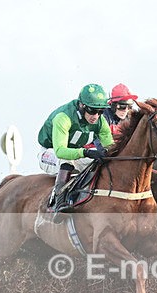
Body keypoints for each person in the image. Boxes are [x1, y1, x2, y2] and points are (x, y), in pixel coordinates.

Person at [37, 83, 115, 213]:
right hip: (50, 153)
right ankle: (59, 201)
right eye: (92, 110)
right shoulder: (64, 117)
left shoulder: (100, 121)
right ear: (81, 105)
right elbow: (60, 151)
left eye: (100, 111)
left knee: (100, 164)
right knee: (66, 162)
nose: (96, 116)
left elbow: (111, 147)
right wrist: (86, 152)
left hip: (76, 154)